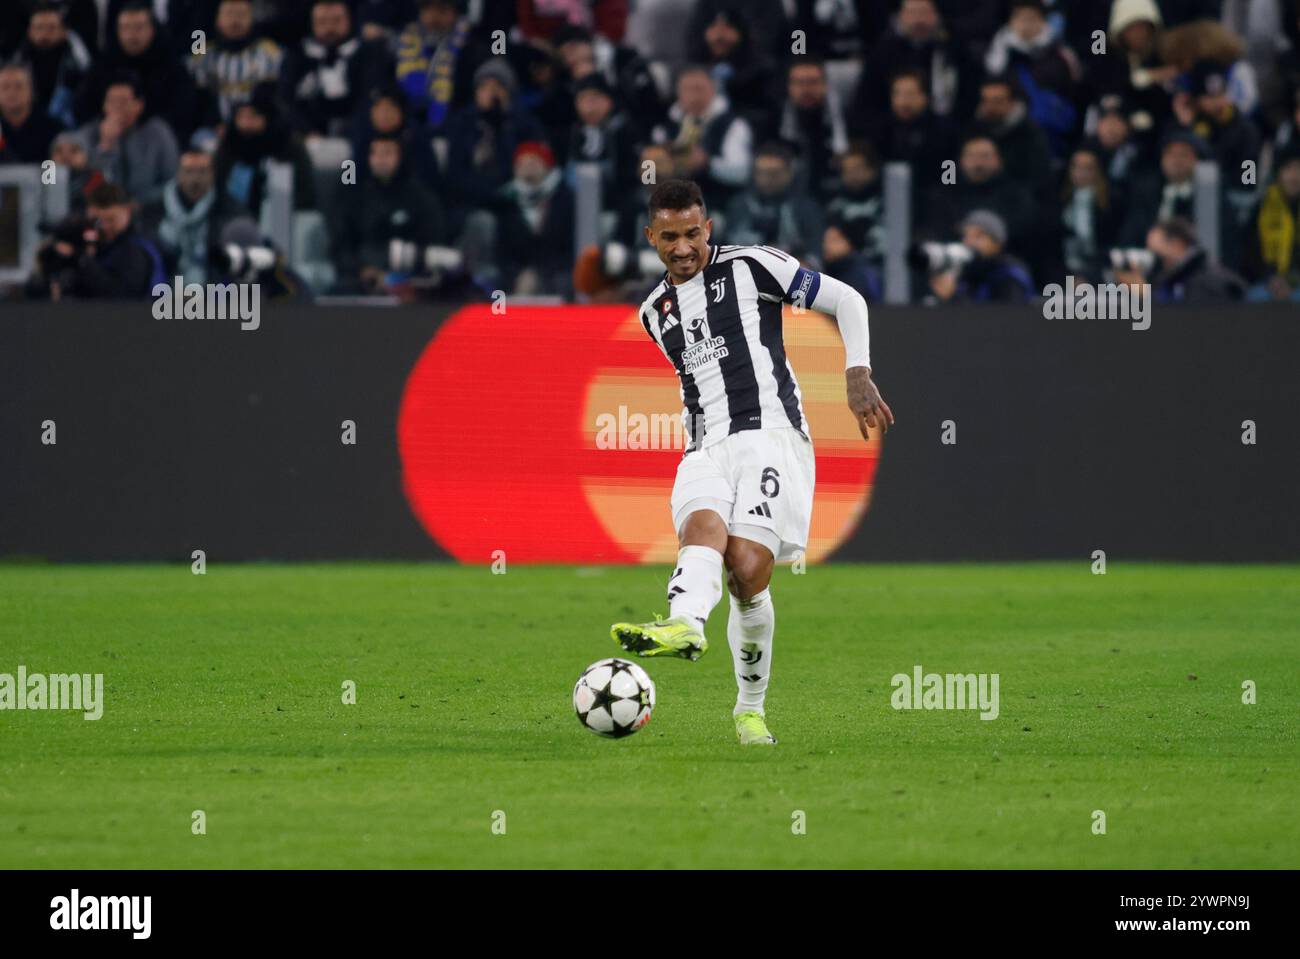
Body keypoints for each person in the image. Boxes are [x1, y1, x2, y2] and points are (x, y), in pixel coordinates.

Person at [609, 178, 893, 746]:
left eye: (693, 233)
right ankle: (685, 626)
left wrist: (856, 372)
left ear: (708, 228)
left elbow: (848, 299)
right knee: (700, 528)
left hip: (771, 437)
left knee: (746, 571)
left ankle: (749, 708)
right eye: (670, 237)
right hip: (703, 444)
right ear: (651, 238)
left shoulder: (755, 267)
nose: (683, 247)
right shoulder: (651, 312)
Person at [29, 181, 163, 300]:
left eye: (111, 220)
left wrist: (81, 260)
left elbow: (122, 297)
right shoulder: (93, 244)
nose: (104, 227)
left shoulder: (136, 250)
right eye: (97, 221)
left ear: (127, 212)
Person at [142, 149, 247, 284]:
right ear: (178, 174)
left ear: (212, 175)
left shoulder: (231, 212)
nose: (195, 179)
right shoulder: (153, 211)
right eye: (189, 171)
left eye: (202, 171)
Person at [76, 73, 179, 206]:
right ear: (104, 106)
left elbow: (173, 183)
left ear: (139, 105)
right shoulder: (89, 135)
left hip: (149, 212)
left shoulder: (158, 133)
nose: (117, 108)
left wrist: (138, 202)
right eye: (111, 101)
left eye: (123, 102)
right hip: (103, 211)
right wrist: (105, 146)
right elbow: (84, 187)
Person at [0, 63, 64, 164]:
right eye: (5, 87)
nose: (12, 93)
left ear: (31, 91)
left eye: (19, 86)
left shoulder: (53, 129)